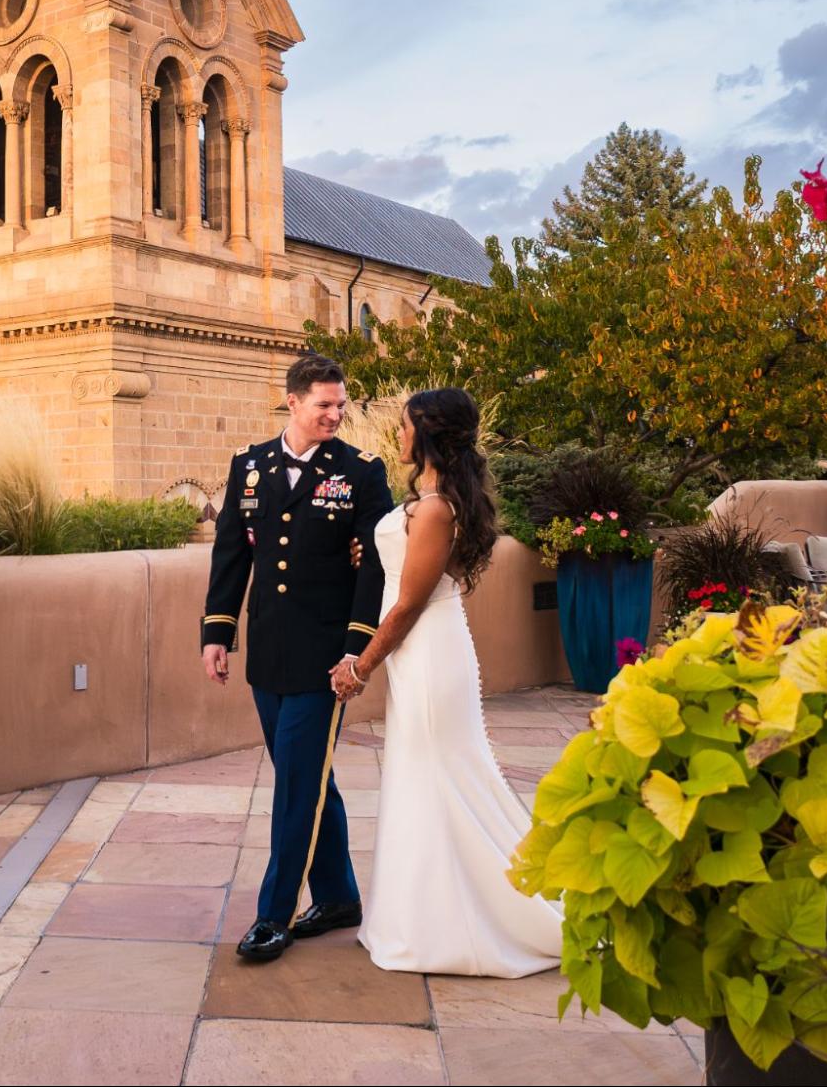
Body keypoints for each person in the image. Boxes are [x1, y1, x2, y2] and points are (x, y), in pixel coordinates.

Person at [330, 387, 562, 976]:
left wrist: (359, 666)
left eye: (406, 426)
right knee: (426, 777)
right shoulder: (429, 500)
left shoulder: (434, 508)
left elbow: (408, 603)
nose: (399, 436)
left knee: (440, 778)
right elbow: (405, 567)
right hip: (424, 652)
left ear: (429, 434)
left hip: (427, 651)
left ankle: (462, 926)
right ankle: (423, 918)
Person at [201, 353, 392, 962]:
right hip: (269, 653)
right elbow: (232, 552)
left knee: (295, 789)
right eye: (324, 405)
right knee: (304, 779)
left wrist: (356, 650)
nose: (335, 414)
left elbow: (376, 568)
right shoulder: (249, 465)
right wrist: (217, 631)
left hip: (325, 658)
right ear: (293, 402)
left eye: (341, 405)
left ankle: (272, 915)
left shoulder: (362, 471)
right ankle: (338, 896)